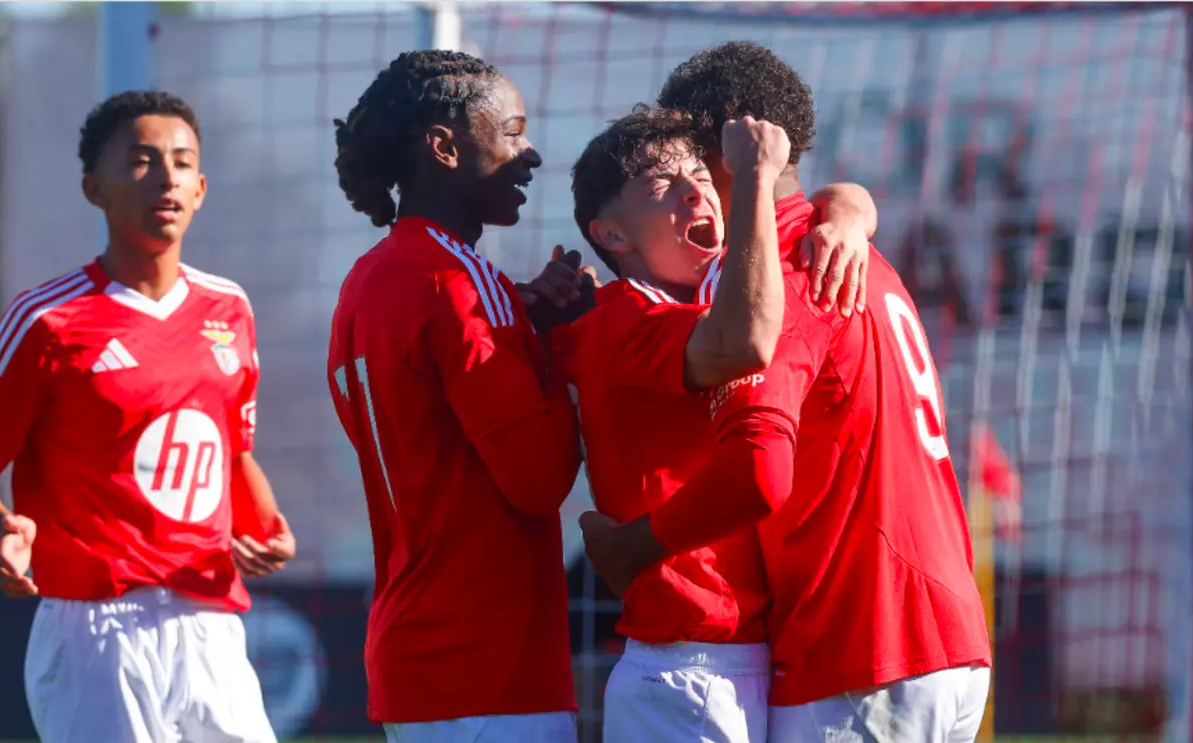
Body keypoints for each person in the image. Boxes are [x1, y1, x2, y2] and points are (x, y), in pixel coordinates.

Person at [581, 42, 992, 743]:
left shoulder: (774, 277)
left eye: (687, 153)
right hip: (944, 635)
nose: (687, 180)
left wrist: (633, 548)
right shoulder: (854, 249)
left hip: (863, 645)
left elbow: (759, 470)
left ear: (729, 150)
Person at [558, 105, 877, 743]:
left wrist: (848, 214)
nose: (694, 188)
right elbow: (743, 339)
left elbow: (829, 200)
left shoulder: (706, 291)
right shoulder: (618, 316)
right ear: (612, 235)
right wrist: (758, 174)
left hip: (748, 653)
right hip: (683, 664)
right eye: (659, 184)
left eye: (701, 171)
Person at [0, 90, 292, 743]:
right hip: (95, 629)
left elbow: (233, 450)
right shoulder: (45, 320)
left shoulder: (230, 308)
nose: (166, 176)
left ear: (202, 187)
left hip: (211, 616)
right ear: (93, 188)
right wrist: (2, 529)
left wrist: (268, 526)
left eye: (182, 162)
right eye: (142, 159)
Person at [327, 50, 587, 743]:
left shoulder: (367, 280)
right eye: (511, 131)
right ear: (443, 146)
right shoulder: (459, 283)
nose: (529, 154)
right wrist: (562, 346)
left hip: (419, 660)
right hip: (494, 674)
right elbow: (537, 479)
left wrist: (525, 320)